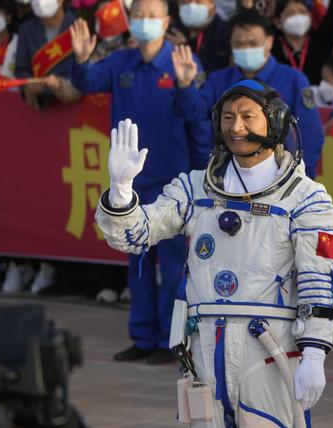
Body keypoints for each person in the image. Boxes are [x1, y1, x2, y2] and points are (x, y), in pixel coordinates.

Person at [96, 80, 333, 427]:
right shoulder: (195, 188)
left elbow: (319, 279)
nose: (236, 127)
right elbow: (136, 235)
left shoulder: (305, 199)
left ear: (274, 122)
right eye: (228, 117)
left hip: (269, 352)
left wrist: (315, 352)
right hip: (204, 349)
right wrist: (121, 193)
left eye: (247, 116)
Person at [70, 0, 210, 365]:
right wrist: (82, 60)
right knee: (137, 261)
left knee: (174, 263)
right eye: (139, 16)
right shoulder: (122, 62)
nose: (145, 22)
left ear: (166, 21)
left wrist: (184, 85)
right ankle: (143, 336)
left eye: (152, 15)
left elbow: (196, 116)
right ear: (130, 21)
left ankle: (171, 339)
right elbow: (86, 82)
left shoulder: (181, 61)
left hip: (173, 182)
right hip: (132, 183)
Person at [171, 10, 325, 178]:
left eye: (253, 43)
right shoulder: (218, 80)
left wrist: (298, 174)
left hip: (279, 176)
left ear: (269, 42)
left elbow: (310, 134)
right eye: (239, 44)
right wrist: (185, 85)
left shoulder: (294, 80)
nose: (245, 49)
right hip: (226, 177)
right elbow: (192, 113)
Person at [14, 0, 79, 110]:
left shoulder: (78, 27)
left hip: (72, 108)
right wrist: (29, 84)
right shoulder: (26, 30)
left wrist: (57, 86)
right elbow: (21, 69)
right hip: (40, 108)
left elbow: (84, 71)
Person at [170, 0, 231, 72]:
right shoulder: (169, 31)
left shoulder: (226, 34)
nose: (191, 7)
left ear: (212, 8)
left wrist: (183, 47)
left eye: (198, 2)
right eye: (185, 2)